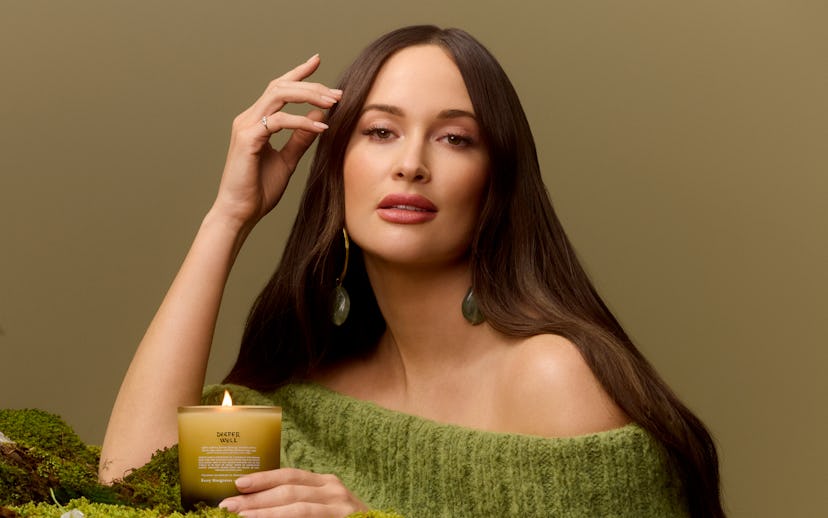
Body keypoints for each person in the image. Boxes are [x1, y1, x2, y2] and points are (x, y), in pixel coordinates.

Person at [99, 25, 725, 517]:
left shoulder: (552, 379)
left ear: (495, 184)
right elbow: (132, 486)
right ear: (337, 165)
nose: (411, 165)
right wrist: (228, 219)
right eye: (380, 132)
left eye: (455, 139)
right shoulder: (307, 396)